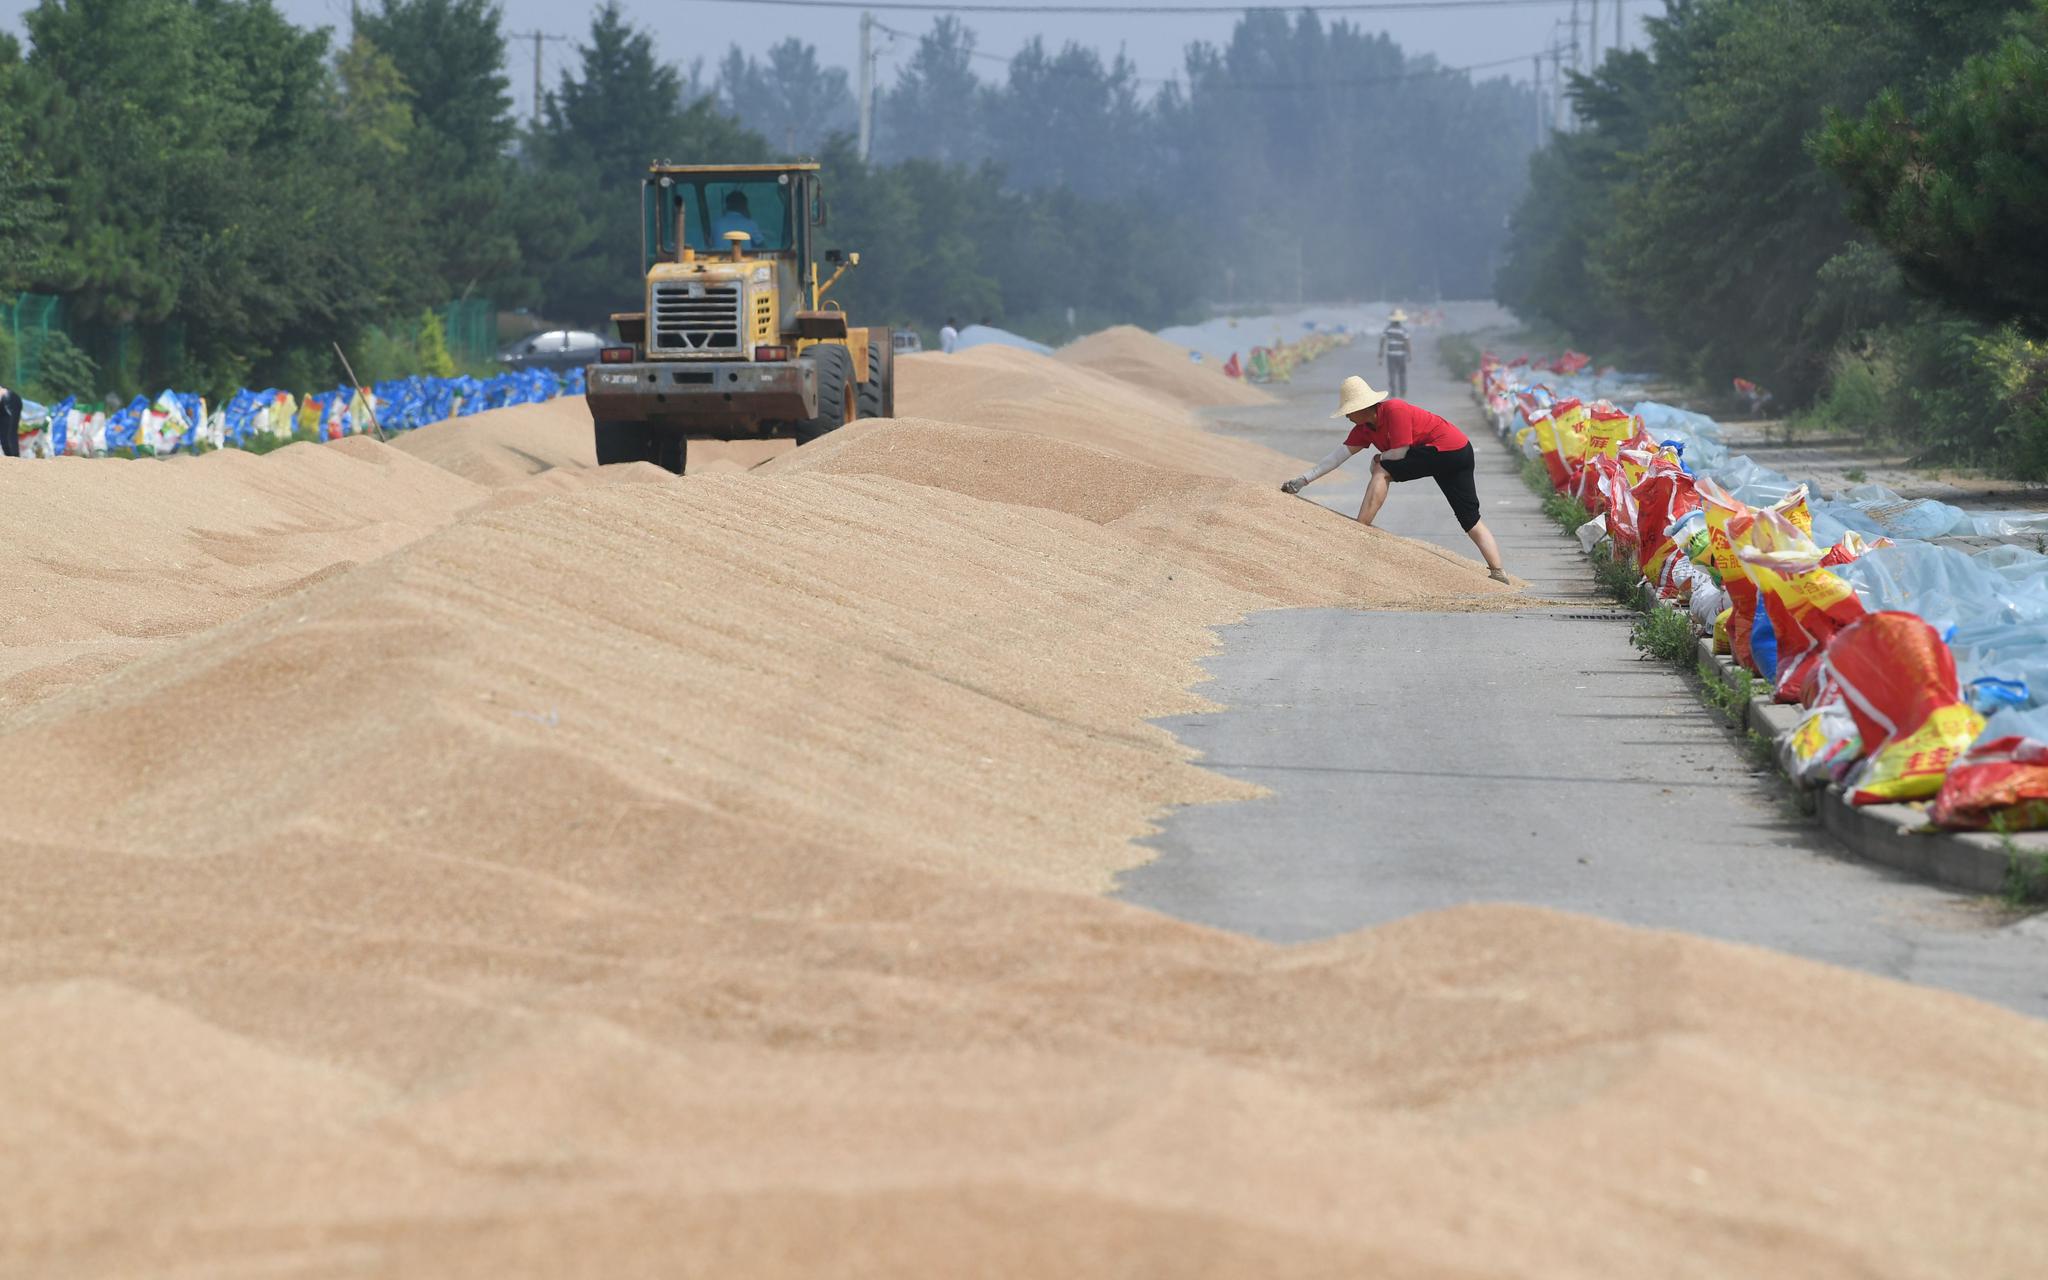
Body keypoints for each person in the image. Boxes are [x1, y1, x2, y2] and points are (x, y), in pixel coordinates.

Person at [1282, 375, 1508, 583]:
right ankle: (1498, 572)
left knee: (1382, 469)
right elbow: (1337, 457)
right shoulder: (1363, 428)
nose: (1348, 417)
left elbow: (1400, 452)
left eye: (1349, 411)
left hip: (1448, 450)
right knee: (1469, 517)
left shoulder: (1394, 409)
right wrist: (1303, 480)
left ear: (1363, 407)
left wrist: (1379, 458)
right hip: (1458, 450)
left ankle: (1359, 528)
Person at [1379, 309, 1411, 398]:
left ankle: (1393, 392)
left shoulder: (1388, 329)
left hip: (1391, 355)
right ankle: (1403, 391)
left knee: (1392, 374)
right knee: (1402, 373)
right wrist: (1409, 354)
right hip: (1401, 355)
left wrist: (1380, 353)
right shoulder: (1403, 330)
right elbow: (1407, 342)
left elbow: (1382, 340)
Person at [0, 384, 21, 458]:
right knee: (3, 436)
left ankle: (15, 457)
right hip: (3, 404)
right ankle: (10, 457)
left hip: (10, 401)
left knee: (10, 432)